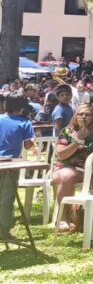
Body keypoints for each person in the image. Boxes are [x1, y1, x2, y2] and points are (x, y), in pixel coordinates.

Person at [52, 104, 93, 232]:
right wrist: (78, 140)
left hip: (88, 170)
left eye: (88, 115)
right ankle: (64, 217)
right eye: (81, 114)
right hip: (64, 168)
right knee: (68, 175)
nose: (84, 117)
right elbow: (61, 154)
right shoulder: (67, 132)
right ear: (75, 116)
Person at [0, 95, 35, 241]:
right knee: (7, 198)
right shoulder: (25, 123)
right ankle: (3, 230)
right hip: (11, 163)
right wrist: (33, 140)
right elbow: (28, 145)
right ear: (22, 108)